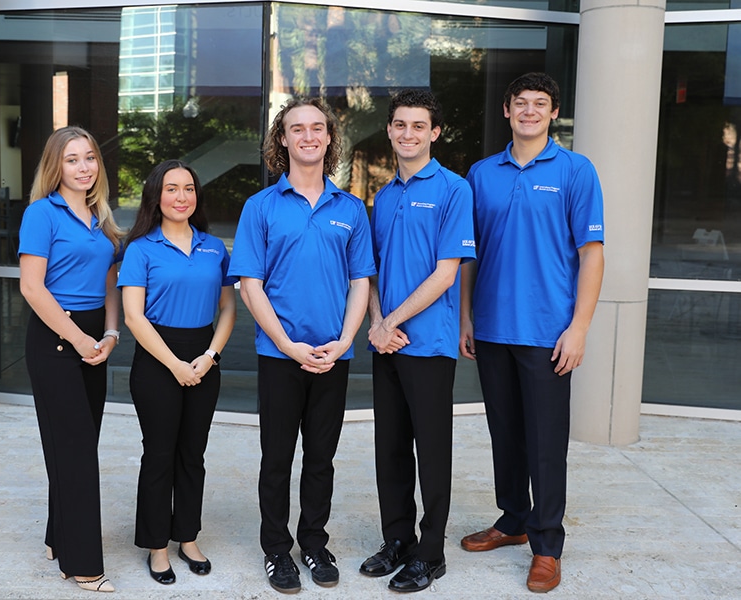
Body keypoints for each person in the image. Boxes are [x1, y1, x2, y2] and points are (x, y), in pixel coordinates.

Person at [459, 72, 605, 593]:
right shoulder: (480, 174)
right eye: (520, 103)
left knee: (546, 443)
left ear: (552, 112)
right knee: (506, 433)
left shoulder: (575, 171)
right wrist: (467, 318)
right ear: (506, 111)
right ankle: (514, 519)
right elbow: (468, 256)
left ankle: (547, 544)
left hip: (548, 331)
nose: (528, 111)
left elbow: (592, 255)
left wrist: (580, 327)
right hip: (494, 328)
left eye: (539, 104)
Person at [229, 98, 375, 594]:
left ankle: (313, 541)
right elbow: (250, 284)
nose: (308, 136)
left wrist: (345, 341)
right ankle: (276, 550)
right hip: (279, 356)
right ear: (283, 140)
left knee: (321, 458)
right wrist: (289, 346)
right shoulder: (261, 207)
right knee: (277, 458)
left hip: (334, 356)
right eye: (297, 129)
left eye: (318, 128)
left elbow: (361, 282)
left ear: (330, 138)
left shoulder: (351, 208)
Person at [360, 89, 475, 593]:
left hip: (429, 344)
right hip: (386, 344)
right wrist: (378, 324)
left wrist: (391, 322)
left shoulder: (454, 189)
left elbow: (445, 274)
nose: (408, 133)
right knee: (390, 449)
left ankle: (431, 553)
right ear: (389, 131)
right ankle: (398, 541)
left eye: (418, 125)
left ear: (435, 133)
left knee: (431, 451)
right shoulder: (383, 196)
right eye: (400, 125)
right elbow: (371, 272)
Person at [118, 159, 237, 585]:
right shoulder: (141, 249)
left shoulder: (213, 247)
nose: (181, 196)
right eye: (172, 189)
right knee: (160, 455)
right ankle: (156, 545)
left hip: (203, 357)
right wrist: (174, 365)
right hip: (156, 360)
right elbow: (133, 317)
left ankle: (187, 536)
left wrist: (210, 357)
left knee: (193, 455)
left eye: (189, 189)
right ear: (156, 195)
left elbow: (227, 309)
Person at [19, 125, 123, 593]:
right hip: (56, 340)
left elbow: (108, 281)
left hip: (93, 340)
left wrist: (110, 330)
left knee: (76, 447)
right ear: (55, 166)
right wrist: (80, 340)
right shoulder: (42, 214)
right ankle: (82, 563)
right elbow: (31, 288)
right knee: (77, 453)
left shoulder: (100, 215)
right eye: (72, 159)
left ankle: (56, 536)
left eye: (90, 158)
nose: (84, 167)